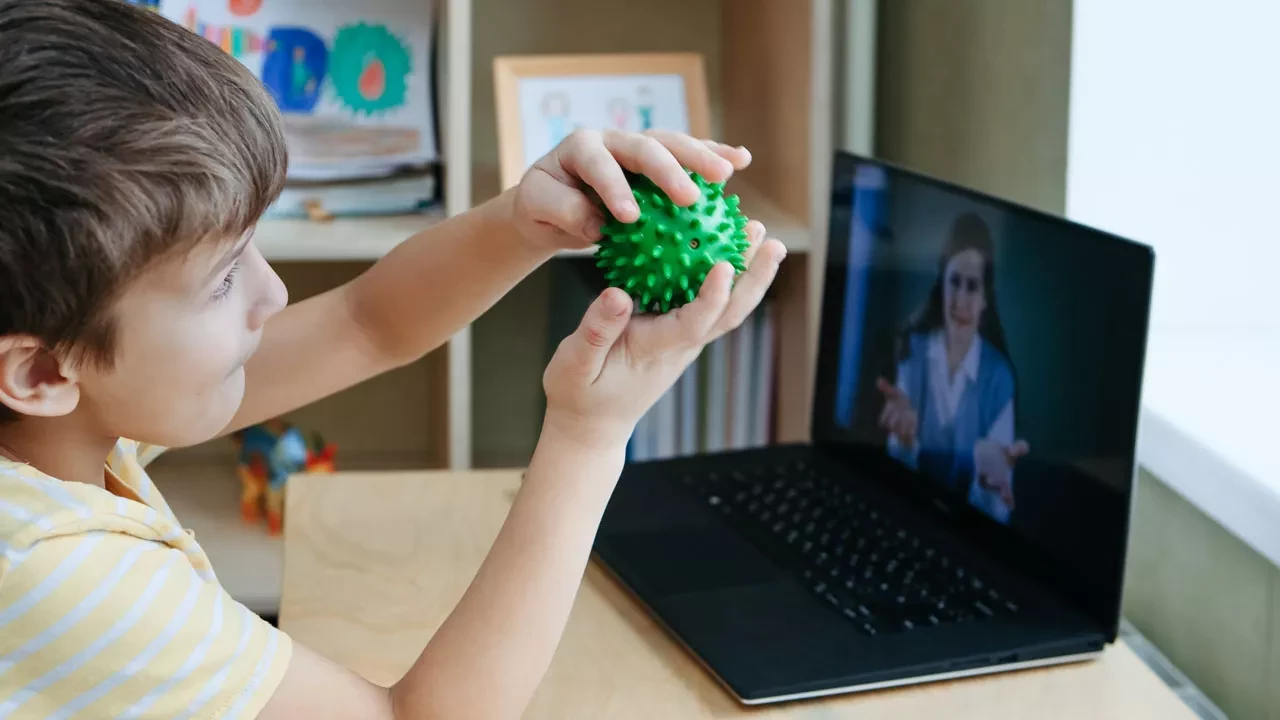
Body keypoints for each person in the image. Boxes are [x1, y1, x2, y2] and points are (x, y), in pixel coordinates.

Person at [0, 2, 785, 718]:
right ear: (39, 373)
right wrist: (588, 435)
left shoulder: (67, 426)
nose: (271, 293)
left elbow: (364, 323)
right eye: (223, 278)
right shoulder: (62, 577)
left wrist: (523, 220)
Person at [875, 212, 1027, 524]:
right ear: (941, 284)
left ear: (986, 299)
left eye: (972, 287)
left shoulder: (1000, 379)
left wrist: (988, 486)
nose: (960, 298)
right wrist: (903, 445)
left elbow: (997, 516)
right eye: (954, 282)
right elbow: (893, 485)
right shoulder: (912, 355)